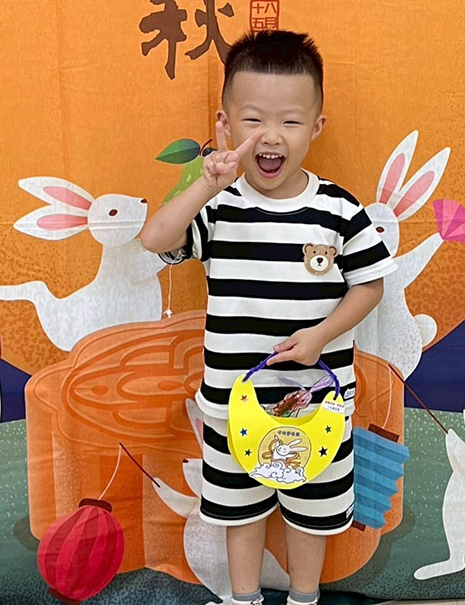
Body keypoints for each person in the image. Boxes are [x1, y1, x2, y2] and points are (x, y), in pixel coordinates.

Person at [140, 30, 396, 605]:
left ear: (317, 127)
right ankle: (244, 598)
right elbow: (155, 239)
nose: (272, 136)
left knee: (310, 516)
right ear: (225, 125)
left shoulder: (338, 210)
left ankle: (305, 597)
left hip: (318, 404)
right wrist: (205, 183)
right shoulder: (218, 207)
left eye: (291, 122)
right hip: (232, 405)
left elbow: (370, 285)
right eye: (253, 120)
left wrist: (321, 336)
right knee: (240, 512)